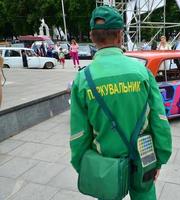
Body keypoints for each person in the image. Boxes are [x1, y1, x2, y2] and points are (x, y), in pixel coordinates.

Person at [70, 6, 172, 200]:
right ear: (120, 35)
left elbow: (79, 133)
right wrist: (160, 158)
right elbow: (159, 120)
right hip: (144, 157)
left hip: (106, 163)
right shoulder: (142, 73)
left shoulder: (83, 80)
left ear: (92, 37)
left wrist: (82, 165)